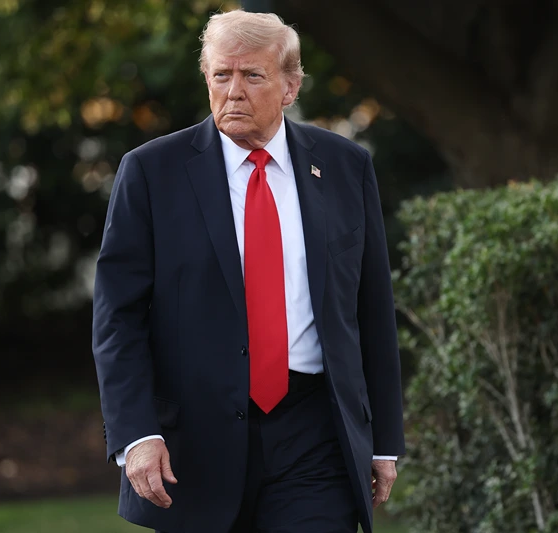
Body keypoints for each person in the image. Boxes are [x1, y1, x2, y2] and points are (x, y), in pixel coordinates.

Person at [92, 9, 405, 533]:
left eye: (252, 75)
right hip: (193, 440)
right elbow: (117, 318)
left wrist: (385, 441)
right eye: (221, 75)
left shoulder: (345, 166)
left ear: (290, 86)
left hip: (314, 431)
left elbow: (371, 309)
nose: (233, 91)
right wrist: (136, 434)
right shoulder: (151, 172)